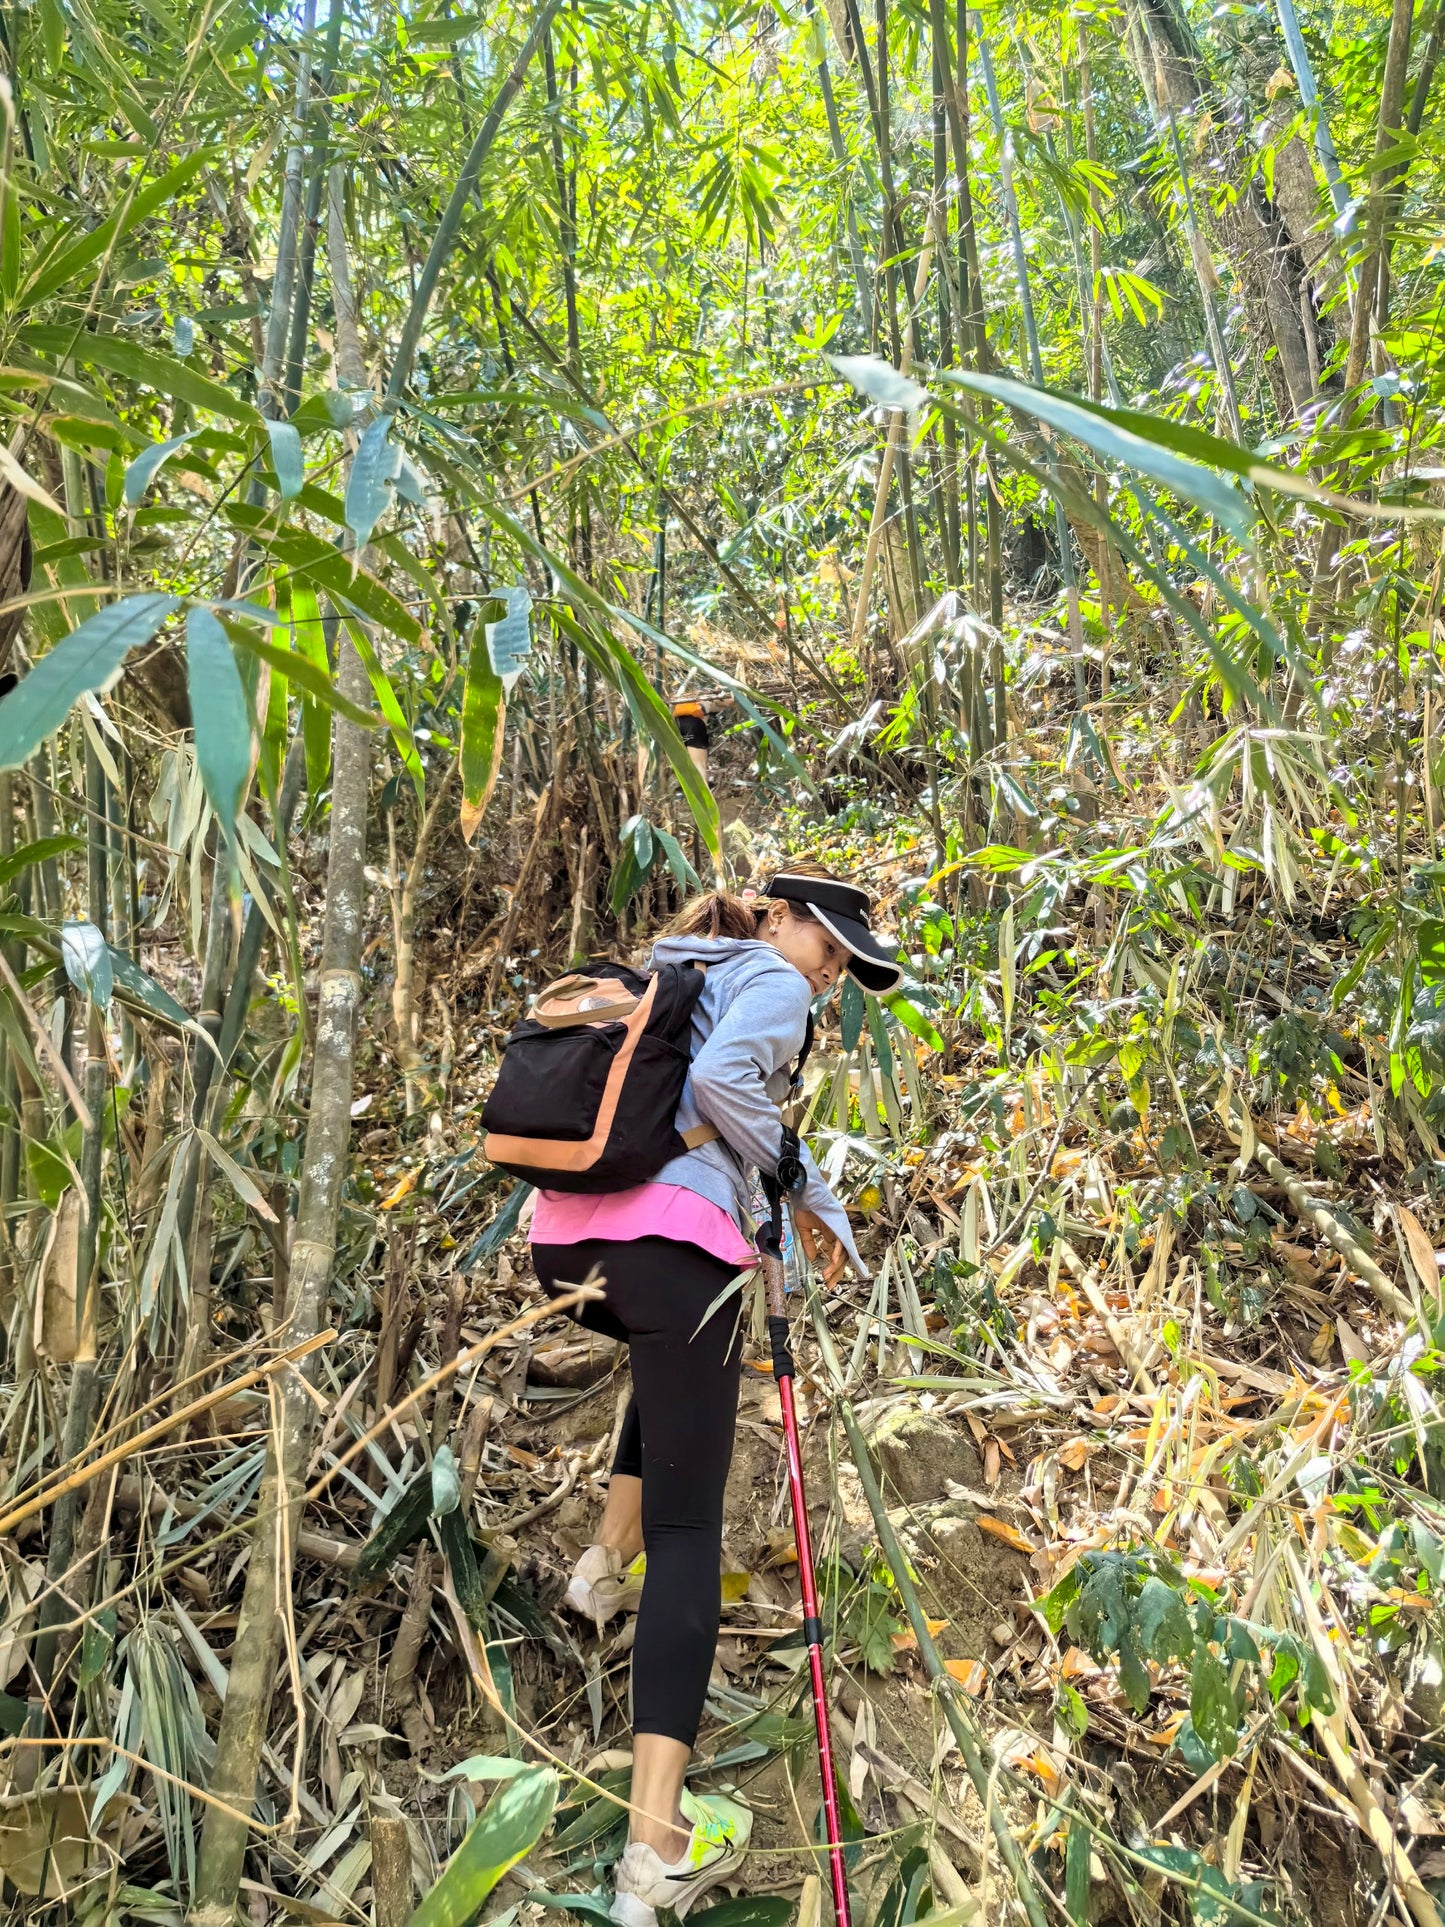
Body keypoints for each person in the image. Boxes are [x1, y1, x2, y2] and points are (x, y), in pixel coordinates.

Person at [528, 865, 903, 1925]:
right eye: (828, 949)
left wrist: (786, 1216)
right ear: (779, 919)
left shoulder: (675, 967)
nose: (828, 979)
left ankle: (600, 1564)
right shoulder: (771, 986)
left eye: (840, 966)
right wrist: (798, 1189)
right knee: (692, 1531)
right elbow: (727, 1094)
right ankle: (653, 1847)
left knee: (672, 1376)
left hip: (567, 1245)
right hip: (668, 1251)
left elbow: (694, 1112)